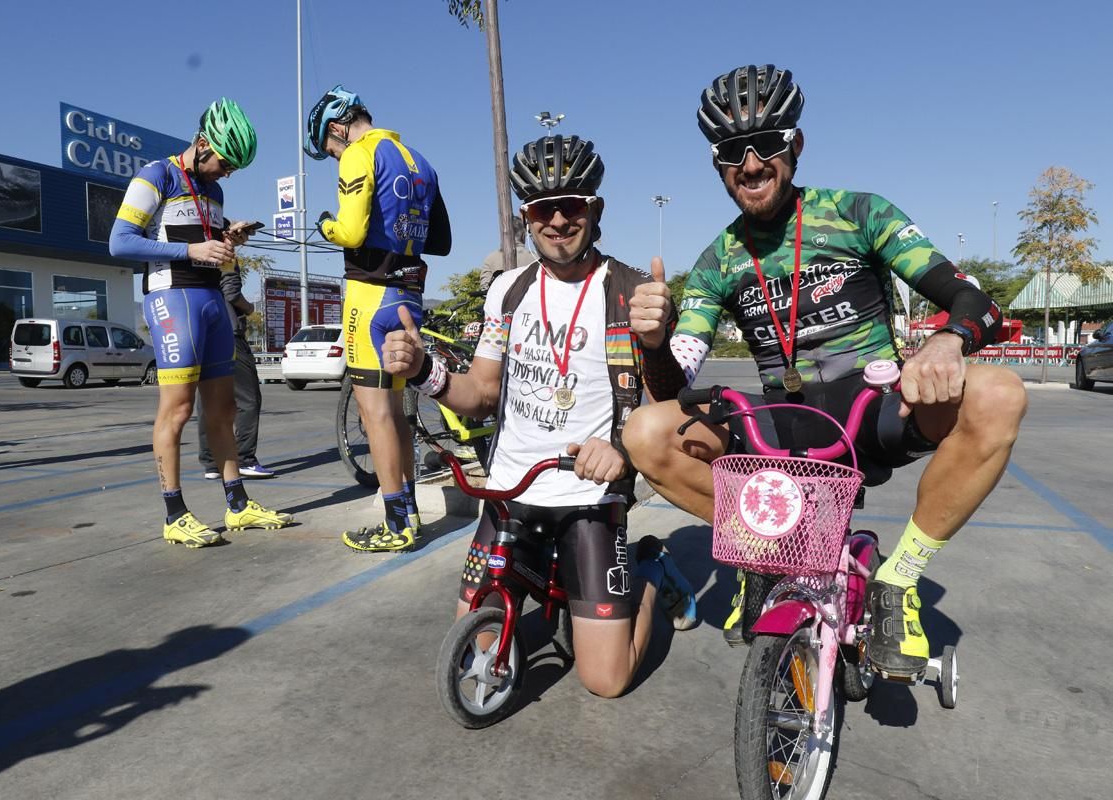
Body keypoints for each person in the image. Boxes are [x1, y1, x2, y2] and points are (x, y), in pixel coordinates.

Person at [623, 64, 1027, 679]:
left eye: (770, 144)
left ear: (797, 146)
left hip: (874, 409)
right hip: (779, 428)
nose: (752, 164)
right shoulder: (719, 258)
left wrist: (947, 341)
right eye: (733, 151)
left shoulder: (858, 212)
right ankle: (769, 552)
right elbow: (674, 386)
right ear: (717, 164)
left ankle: (899, 579)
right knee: (646, 431)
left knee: (998, 392)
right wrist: (652, 342)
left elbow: (972, 297)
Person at [383, 135, 698, 698]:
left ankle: (650, 569)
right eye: (540, 209)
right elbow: (480, 392)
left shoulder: (630, 291)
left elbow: (667, 402)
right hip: (511, 491)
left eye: (571, 205)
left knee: (605, 679)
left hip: (589, 497)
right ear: (525, 218)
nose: (556, 221)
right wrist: (424, 370)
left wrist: (627, 438)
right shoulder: (507, 290)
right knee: (479, 646)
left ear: (594, 210)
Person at [110, 98, 292, 548]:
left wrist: (227, 237)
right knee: (177, 409)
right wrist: (191, 252)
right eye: (224, 163)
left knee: (224, 408)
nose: (226, 173)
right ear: (203, 143)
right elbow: (120, 242)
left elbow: (203, 240)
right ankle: (174, 513)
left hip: (211, 301)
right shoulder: (159, 174)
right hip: (173, 300)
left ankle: (238, 505)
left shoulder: (215, 192)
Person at [304, 84, 452, 552]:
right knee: (397, 415)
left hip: (370, 298)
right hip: (410, 295)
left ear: (337, 128)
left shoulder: (357, 154)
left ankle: (397, 523)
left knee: (375, 415)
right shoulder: (418, 160)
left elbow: (348, 230)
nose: (334, 156)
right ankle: (406, 511)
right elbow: (442, 240)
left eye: (329, 149)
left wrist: (326, 224)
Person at [197, 259, 273, 480]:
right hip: (228, 333)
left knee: (207, 399)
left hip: (201, 332)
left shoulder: (192, 253)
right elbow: (231, 293)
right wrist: (249, 308)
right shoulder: (224, 254)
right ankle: (245, 459)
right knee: (249, 398)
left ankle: (211, 463)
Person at [478, 215, 536, 291]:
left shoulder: (490, 259)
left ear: (502, 235)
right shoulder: (536, 258)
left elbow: (485, 290)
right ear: (523, 235)